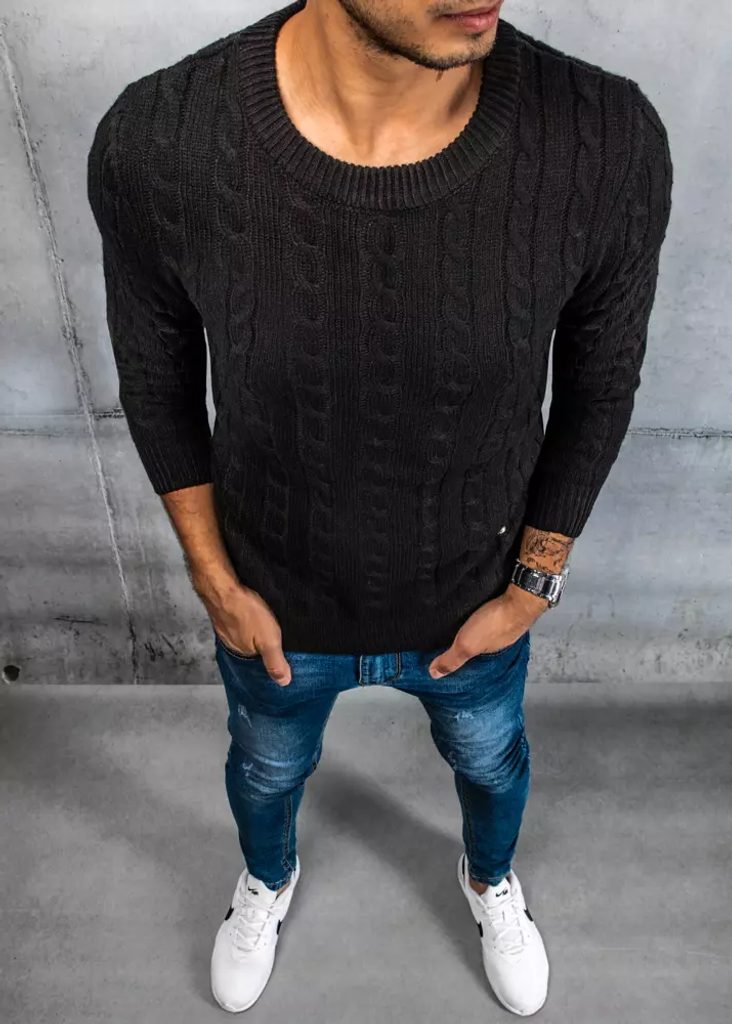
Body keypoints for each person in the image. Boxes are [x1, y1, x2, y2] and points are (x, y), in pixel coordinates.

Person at [86, 0, 672, 1015]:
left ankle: (488, 879)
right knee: (265, 772)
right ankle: (268, 878)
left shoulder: (604, 138)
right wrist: (215, 582)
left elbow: (600, 386)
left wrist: (531, 587)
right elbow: (156, 381)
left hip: (474, 603)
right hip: (273, 605)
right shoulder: (158, 142)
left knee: (492, 765)